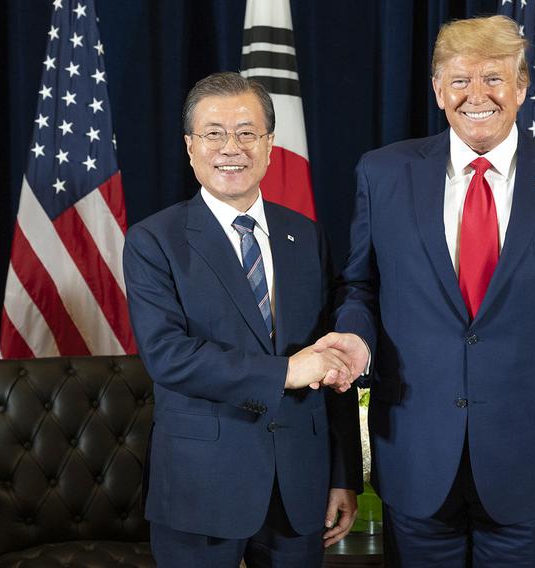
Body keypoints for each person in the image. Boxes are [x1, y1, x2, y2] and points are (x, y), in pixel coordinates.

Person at [316, 15, 535, 567]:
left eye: (494, 79)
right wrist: (354, 340)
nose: (476, 95)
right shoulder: (382, 174)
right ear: (438, 90)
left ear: (522, 87)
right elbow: (359, 286)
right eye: (459, 80)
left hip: (533, 462)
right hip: (415, 454)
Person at [123, 71, 362, 567]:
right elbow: (168, 356)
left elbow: (330, 353)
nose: (231, 147)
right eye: (213, 133)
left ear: (270, 145)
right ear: (191, 147)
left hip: (300, 485)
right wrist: (287, 373)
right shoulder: (154, 241)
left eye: (247, 132)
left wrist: (342, 474)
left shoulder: (307, 237)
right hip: (201, 486)